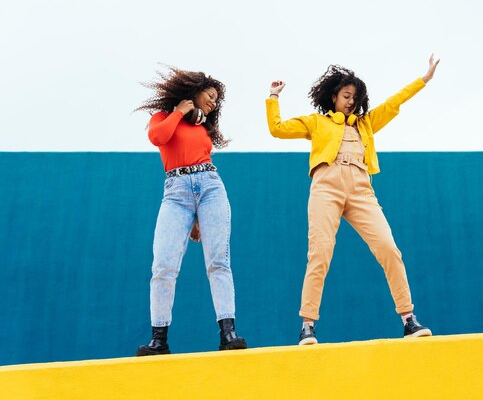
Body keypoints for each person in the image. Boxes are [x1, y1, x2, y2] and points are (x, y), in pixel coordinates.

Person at [266, 55, 440, 344]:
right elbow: (278, 129)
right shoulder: (317, 122)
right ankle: (307, 325)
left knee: (389, 248)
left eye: (355, 98)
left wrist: (424, 79)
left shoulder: (365, 124)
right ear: (333, 96)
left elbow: (394, 102)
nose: (351, 102)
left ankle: (409, 319)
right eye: (346, 95)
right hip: (326, 186)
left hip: (361, 189)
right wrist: (273, 97)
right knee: (319, 253)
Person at [135, 66, 246, 355]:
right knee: (163, 265)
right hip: (176, 192)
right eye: (210, 95)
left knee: (219, 261)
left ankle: (228, 334)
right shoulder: (162, 118)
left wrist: (198, 215)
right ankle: (159, 340)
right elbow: (158, 138)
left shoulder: (202, 126)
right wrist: (179, 111)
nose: (213, 102)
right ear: (193, 91)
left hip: (210, 187)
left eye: (216, 100)